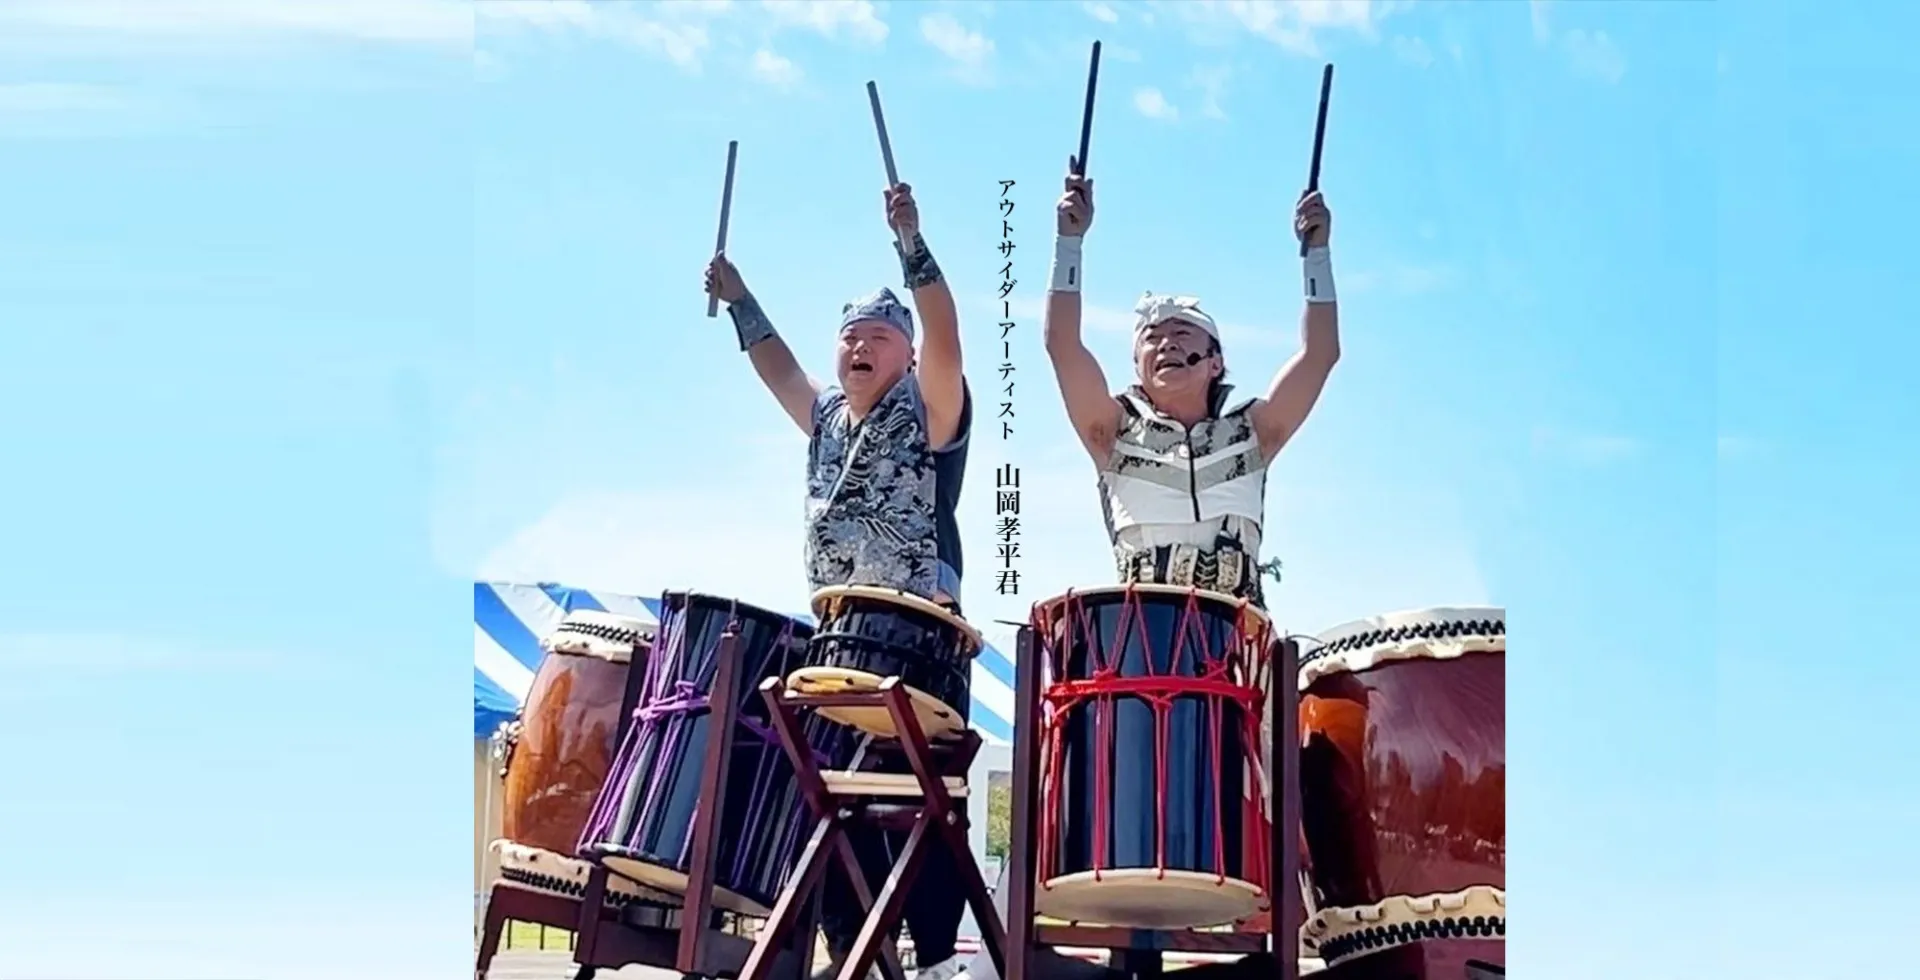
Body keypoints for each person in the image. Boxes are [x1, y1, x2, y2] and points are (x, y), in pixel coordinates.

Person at [958, 170, 1340, 980]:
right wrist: (1070, 241)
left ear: (1215, 359)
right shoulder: (1113, 434)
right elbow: (1061, 346)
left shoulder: (1255, 434)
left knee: (1281, 791)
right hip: (1141, 651)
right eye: (1151, 337)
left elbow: (1321, 353)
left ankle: (1295, 936)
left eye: (1181, 334)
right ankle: (1077, 919)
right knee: (1118, 789)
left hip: (1236, 649)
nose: (1165, 342)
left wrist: (1317, 253)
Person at [705, 182, 974, 980]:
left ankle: (930, 958)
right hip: (839, 638)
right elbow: (778, 368)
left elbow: (948, 333)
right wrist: (741, 297)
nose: (860, 349)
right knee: (817, 801)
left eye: (879, 339)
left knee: (908, 809)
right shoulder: (825, 420)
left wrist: (912, 241)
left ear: (907, 355)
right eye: (850, 338)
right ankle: (846, 951)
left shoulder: (929, 408)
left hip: (917, 641)